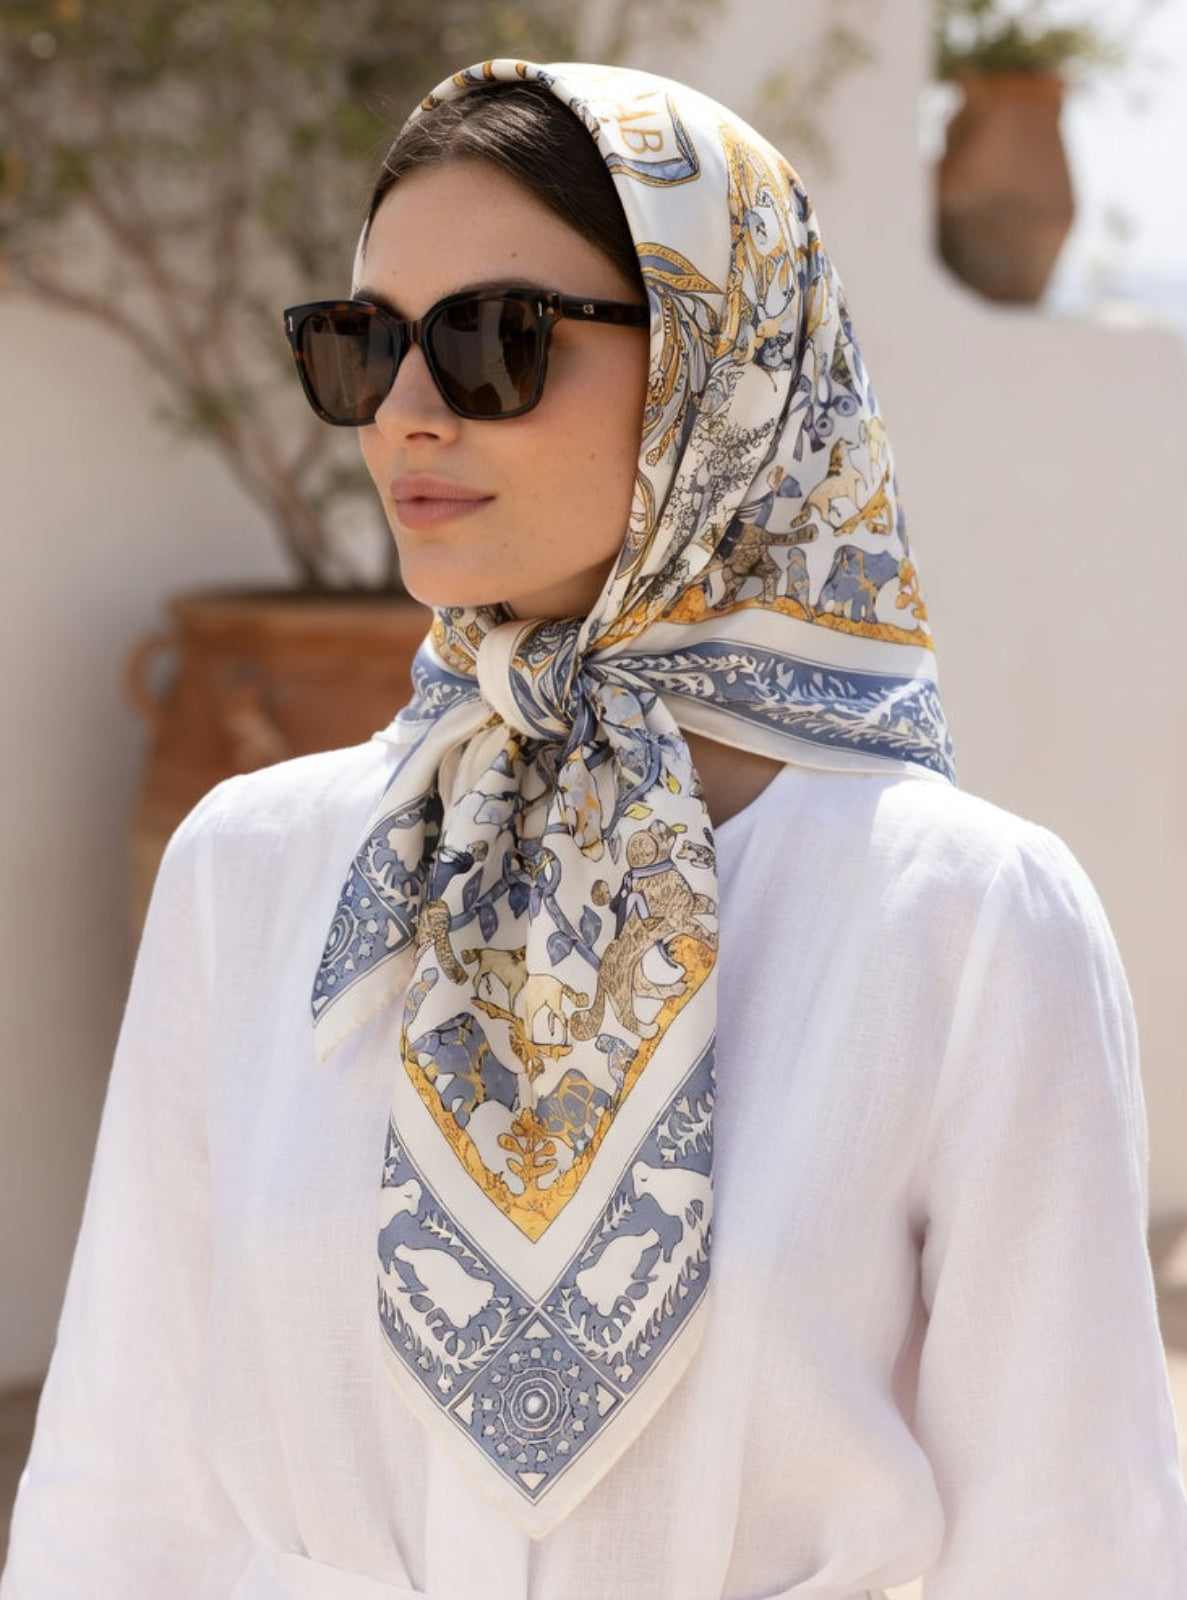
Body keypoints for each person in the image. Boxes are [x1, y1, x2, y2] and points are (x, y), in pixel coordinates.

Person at [4, 57, 1186, 1600]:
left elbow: (1068, 1537)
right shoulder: (255, 872)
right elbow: (123, 1490)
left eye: (496, 343)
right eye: (361, 346)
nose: (409, 413)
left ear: (723, 362)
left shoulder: (961, 921)